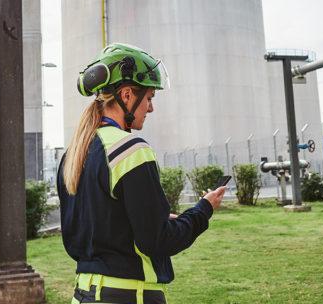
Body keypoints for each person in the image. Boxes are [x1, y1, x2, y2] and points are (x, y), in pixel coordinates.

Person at [58, 43, 227, 304]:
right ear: (126, 95)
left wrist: (154, 218)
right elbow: (158, 241)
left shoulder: (73, 155)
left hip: (84, 295)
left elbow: (95, 227)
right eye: (149, 98)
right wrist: (204, 209)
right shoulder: (131, 149)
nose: (150, 108)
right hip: (128, 296)